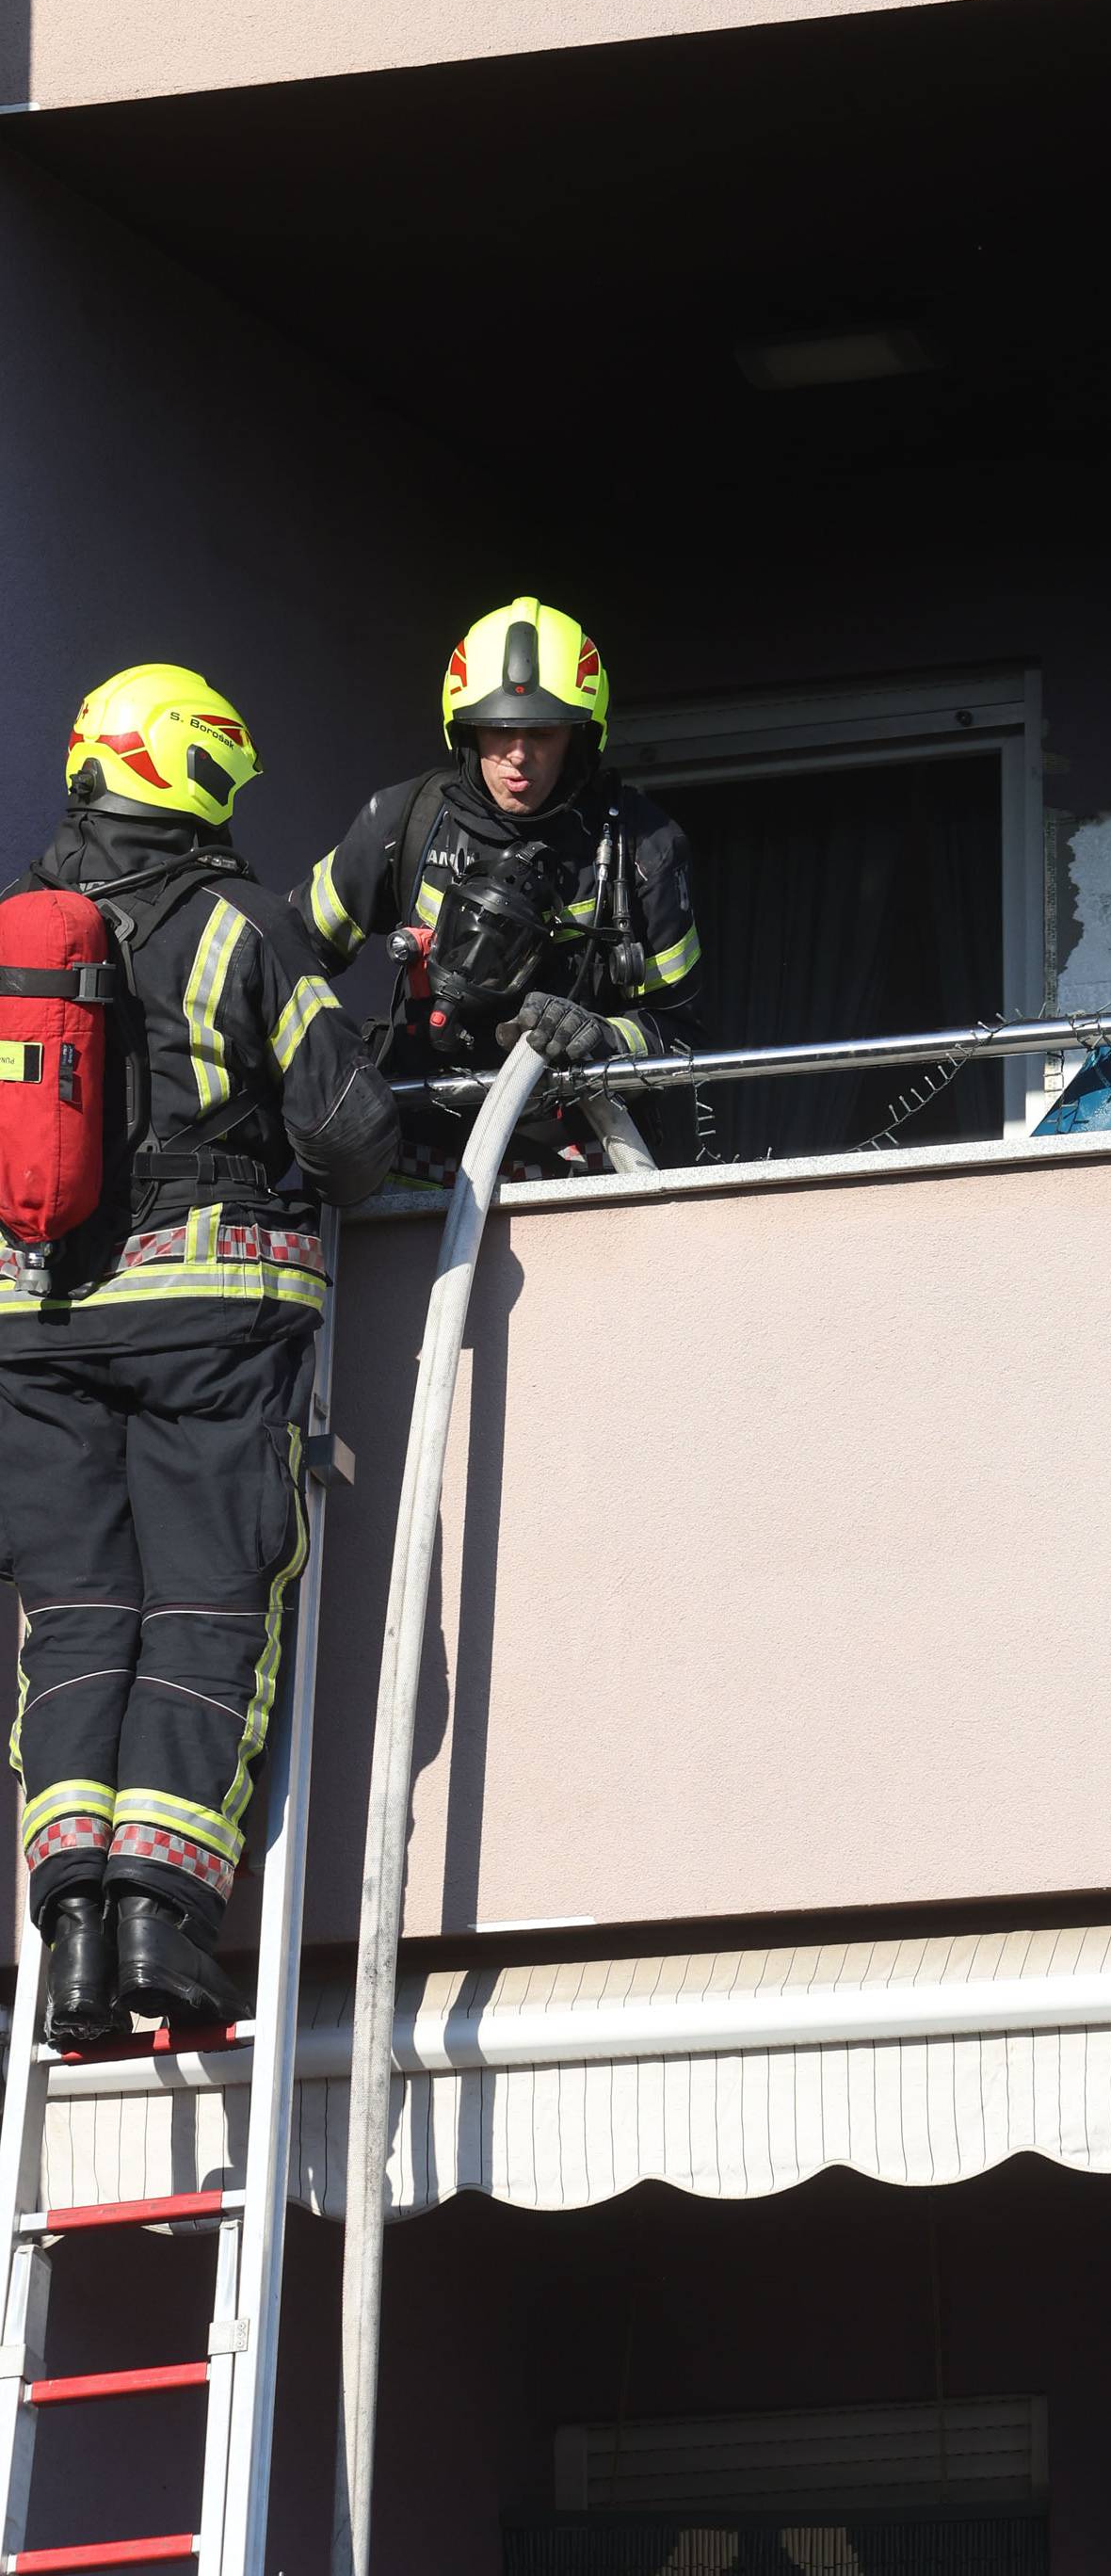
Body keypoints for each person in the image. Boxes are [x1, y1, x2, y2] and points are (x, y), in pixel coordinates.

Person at [0, 664, 399, 2046]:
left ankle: (66, 1941)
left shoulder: (15, 941)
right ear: (198, 774)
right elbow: (348, 1133)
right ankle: (165, 1925)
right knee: (209, 1611)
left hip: (33, 1335)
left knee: (77, 1624)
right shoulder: (242, 925)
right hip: (210, 1328)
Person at [298, 595, 700, 1129]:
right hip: (415, 1147)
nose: (518, 755)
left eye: (542, 732)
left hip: (572, 1163)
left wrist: (598, 1036)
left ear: (580, 738)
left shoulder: (643, 849)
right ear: (465, 733)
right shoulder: (404, 823)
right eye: (498, 730)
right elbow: (285, 965)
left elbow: (681, 1040)